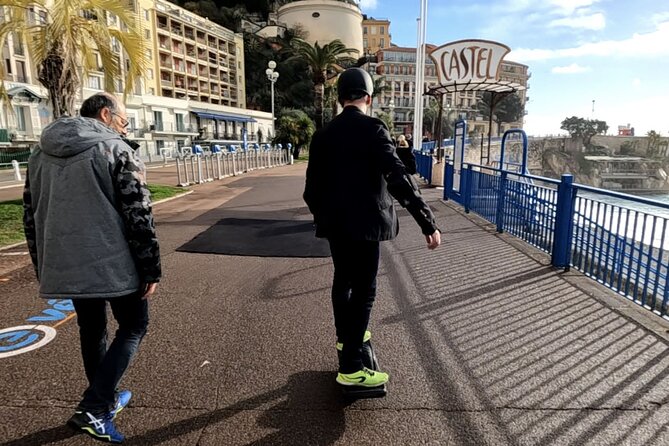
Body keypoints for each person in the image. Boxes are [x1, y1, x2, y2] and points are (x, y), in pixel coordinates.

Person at [23, 92, 161, 444]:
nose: (124, 126)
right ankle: (95, 407)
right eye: (124, 120)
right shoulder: (117, 150)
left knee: (91, 328)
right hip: (114, 263)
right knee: (133, 326)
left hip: (65, 260)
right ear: (106, 114)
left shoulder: (40, 152)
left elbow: (30, 214)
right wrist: (150, 268)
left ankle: (105, 398)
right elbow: (138, 214)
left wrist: (42, 264)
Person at [304, 67, 441, 389]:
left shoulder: (322, 135)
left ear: (339, 99)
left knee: (343, 282)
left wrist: (324, 217)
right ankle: (352, 367)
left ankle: (347, 339)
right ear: (368, 97)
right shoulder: (374, 129)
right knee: (365, 290)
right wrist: (426, 221)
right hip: (367, 225)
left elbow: (311, 189)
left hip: (336, 225)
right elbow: (398, 177)